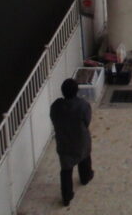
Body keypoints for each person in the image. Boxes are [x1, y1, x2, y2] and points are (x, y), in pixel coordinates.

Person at [49, 77, 94, 207]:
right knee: (84, 158)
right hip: (80, 140)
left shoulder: (56, 106)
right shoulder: (83, 105)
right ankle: (85, 177)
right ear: (76, 91)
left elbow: (53, 118)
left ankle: (66, 196)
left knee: (66, 170)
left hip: (64, 142)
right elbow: (87, 121)